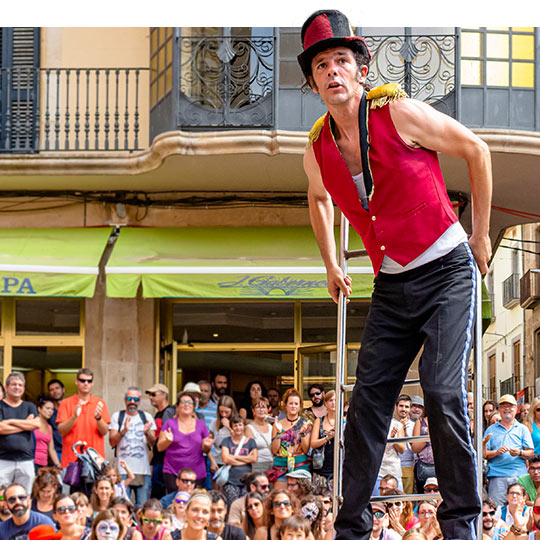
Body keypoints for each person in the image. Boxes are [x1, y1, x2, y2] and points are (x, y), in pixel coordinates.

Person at [298, 8, 492, 539]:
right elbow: (318, 201)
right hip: (392, 283)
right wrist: (331, 263)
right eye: (321, 65)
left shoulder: (397, 112)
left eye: (341, 60)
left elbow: (477, 150)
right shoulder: (317, 149)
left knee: (442, 390)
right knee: (365, 405)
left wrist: (478, 236)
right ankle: (352, 528)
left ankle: (460, 526)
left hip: (447, 268)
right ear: (313, 82)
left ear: (360, 68)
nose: (333, 71)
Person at [157, 392, 214, 493]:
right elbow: (160, 447)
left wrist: (207, 446)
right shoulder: (169, 423)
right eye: (183, 402)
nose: (186, 404)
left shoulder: (201, 425)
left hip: (196, 473)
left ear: (193, 407)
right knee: (175, 502)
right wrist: (167, 441)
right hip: (173, 472)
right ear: (178, 407)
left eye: (189, 402)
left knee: (194, 502)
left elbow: (205, 449)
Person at [110, 387, 156, 506]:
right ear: (125, 400)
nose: (132, 402)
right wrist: (123, 431)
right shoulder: (117, 416)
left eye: (135, 399)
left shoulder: (147, 417)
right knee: (121, 506)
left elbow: (153, 444)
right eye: (130, 398)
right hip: (122, 471)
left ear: (139, 401)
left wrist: (147, 433)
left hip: (142, 470)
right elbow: (112, 442)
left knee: (142, 507)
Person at [57, 368, 111, 470]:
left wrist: (99, 418)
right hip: (71, 461)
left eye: (89, 381)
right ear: (76, 382)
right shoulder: (66, 403)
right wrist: (74, 417)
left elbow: (104, 432)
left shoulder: (100, 403)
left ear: (92, 383)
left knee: (96, 486)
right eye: (82, 380)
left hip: (95, 461)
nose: (86, 383)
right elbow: (61, 431)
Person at [485, 394, 534, 505]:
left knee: (519, 509)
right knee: (496, 510)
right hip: (497, 477)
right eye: (503, 406)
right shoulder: (490, 429)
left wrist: (520, 452)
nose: (507, 408)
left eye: (510, 406)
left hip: (518, 476)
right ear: (499, 410)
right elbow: (484, 454)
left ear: (516, 409)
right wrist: (496, 452)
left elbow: (531, 453)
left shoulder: (523, 429)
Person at [0, 372, 41, 492]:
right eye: (14, 384)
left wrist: (10, 421)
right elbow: (1, 428)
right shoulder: (1, 406)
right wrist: (26, 424)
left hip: (26, 461)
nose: (17, 387)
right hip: (3, 460)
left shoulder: (30, 406)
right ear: (6, 387)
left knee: (25, 496)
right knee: (2, 497)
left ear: (23, 389)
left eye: (20, 385)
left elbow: (36, 424)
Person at [270, 389, 312, 489]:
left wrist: (302, 434)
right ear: (286, 405)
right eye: (291, 403)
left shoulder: (305, 423)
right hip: (281, 466)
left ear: (300, 406)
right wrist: (279, 433)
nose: (293, 406)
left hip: (300, 466)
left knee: (300, 499)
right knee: (280, 497)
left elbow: (306, 450)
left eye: (296, 403)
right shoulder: (278, 424)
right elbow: (274, 450)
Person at [146, 383, 176, 500]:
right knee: (156, 494)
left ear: (164, 395)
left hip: (167, 460)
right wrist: (147, 432)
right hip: (158, 459)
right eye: (150, 395)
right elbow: (155, 442)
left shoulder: (170, 412)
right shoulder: (158, 414)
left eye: (153, 394)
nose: (150, 397)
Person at [220, 415, 258, 507]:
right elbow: (225, 459)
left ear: (244, 426)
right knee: (232, 506)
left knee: (245, 507)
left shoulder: (251, 442)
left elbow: (254, 458)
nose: (238, 428)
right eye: (235, 425)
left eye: (240, 425)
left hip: (246, 480)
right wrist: (246, 459)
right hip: (230, 481)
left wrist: (233, 457)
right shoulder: (226, 441)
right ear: (232, 427)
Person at [374, 414, 405, 496]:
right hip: (377, 472)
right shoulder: (371, 424)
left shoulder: (397, 425)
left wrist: (393, 439)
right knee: (378, 504)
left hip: (394, 471)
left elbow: (402, 449)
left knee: (398, 502)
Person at [310, 390, 335, 486]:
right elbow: (313, 443)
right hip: (321, 467)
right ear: (325, 403)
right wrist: (328, 437)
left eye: (336, 400)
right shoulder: (319, 421)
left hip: (339, 466)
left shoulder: (345, 421)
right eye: (330, 400)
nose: (333, 403)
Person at [209, 396, 237, 475]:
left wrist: (229, 427)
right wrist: (212, 461)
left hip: (232, 461)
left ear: (232, 410)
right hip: (217, 460)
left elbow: (239, 441)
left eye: (226, 412)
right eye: (221, 412)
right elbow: (208, 444)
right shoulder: (214, 423)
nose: (223, 415)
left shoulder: (237, 423)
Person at [245, 397, 274, 475]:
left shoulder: (271, 427)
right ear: (253, 410)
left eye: (264, 407)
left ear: (268, 409)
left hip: (272, 465)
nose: (261, 410)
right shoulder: (249, 428)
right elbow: (250, 450)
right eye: (258, 407)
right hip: (257, 465)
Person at [394, 395, 415, 494]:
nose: (403, 409)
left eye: (406, 407)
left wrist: (405, 432)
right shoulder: (390, 424)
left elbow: (414, 448)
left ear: (410, 409)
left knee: (407, 501)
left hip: (407, 466)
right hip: (391, 466)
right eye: (401, 406)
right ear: (396, 407)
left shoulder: (414, 425)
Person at [35, 395, 61, 471]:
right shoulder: (32, 423)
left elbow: (51, 449)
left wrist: (58, 465)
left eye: (52, 409)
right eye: (47, 408)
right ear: (39, 409)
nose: (50, 411)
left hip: (44, 464)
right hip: (32, 462)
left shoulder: (49, 427)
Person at [411, 409, 435, 492]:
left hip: (441, 467)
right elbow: (415, 448)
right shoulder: (420, 422)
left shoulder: (444, 420)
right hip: (423, 468)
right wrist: (428, 437)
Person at [47, 379, 66, 462]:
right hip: (56, 451)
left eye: (57, 388)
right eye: (51, 390)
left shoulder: (72, 408)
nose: (55, 391)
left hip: (72, 450)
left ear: (63, 389)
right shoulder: (49, 412)